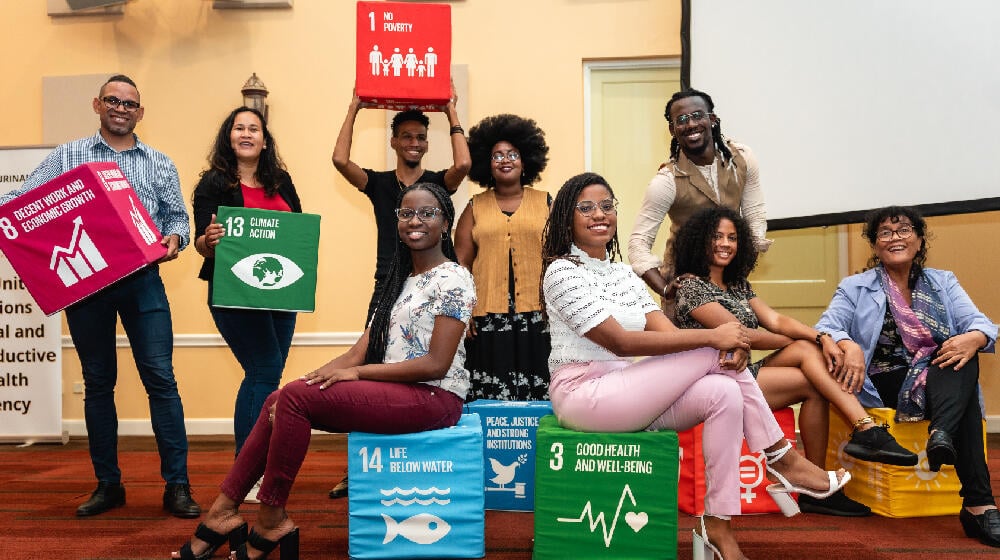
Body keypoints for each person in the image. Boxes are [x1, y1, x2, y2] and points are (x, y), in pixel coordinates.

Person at [540, 172, 849, 560]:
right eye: (585, 208)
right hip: (584, 395)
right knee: (711, 353)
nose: (599, 214)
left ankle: (717, 526)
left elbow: (667, 337)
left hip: (632, 392)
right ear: (568, 217)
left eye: (606, 205)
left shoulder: (624, 274)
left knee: (723, 391)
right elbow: (620, 341)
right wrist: (715, 340)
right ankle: (783, 459)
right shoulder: (562, 271)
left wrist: (724, 349)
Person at [171, 183, 475, 560]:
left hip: (435, 396)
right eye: (406, 213)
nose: (415, 221)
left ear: (445, 222)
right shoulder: (401, 280)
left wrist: (360, 374)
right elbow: (358, 351)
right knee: (279, 397)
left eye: (427, 213)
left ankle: (270, 516)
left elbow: (436, 364)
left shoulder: (455, 278)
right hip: (400, 390)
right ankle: (223, 511)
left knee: (295, 399)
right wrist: (310, 379)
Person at [0, 75, 198, 518]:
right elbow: (24, 199)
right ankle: (108, 485)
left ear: (140, 112)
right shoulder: (69, 155)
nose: (121, 108)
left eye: (130, 103)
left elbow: (178, 219)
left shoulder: (160, 162)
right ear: (97, 104)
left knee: (161, 380)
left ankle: (178, 486)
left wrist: (174, 239)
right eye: (113, 100)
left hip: (143, 281)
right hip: (87, 285)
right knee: (98, 383)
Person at [672, 207, 917, 517]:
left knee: (811, 355)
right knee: (809, 362)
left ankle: (830, 465)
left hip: (743, 374)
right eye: (717, 236)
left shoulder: (738, 285)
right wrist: (814, 340)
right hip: (715, 381)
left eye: (732, 238)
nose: (726, 243)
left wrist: (822, 337)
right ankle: (860, 435)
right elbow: (742, 335)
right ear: (700, 241)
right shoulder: (691, 288)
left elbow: (775, 319)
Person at [816, 206, 999, 547]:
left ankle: (943, 434)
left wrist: (973, 338)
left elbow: (982, 325)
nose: (894, 238)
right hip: (887, 380)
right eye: (885, 233)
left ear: (918, 240)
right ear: (875, 245)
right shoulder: (856, 286)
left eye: (903, 231)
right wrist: (847, 343)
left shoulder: (943, 281)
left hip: (940, 376)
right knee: (962, 378)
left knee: (962, 353)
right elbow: (826, 326)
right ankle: (978, 504)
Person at [329, 89, 469, 499]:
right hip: (388, 288)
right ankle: (357, 468)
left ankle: (413, 457)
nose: (414, 143)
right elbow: (340, 160)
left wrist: (449, 109)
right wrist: (354, 106)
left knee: (424, 371)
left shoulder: (437, 184)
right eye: (406, 136)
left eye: (420, 137)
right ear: (394, 141)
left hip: (434, 289)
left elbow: (464, 163)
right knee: (372, 372)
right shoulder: (379, 184)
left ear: (427, 143)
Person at [191, 107, 303, 502]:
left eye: (254, 128)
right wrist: (210, 240)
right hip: (234, 293)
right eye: (239, 127)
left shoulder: (281, 181)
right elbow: (201, 244)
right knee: (264, 369)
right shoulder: (213, 183)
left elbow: (296, 232)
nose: (246, 133)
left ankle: (254, 467)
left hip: (281, 293)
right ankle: (247, 470)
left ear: (264, 139)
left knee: (266, 375)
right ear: (229, 136)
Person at [628, 88, 770, 313]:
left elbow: (755, 217)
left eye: (697, 116)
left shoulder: (743, 159)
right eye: (682, 120)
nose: (691, 124)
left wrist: (739, 269)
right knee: (695, 349)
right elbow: (637, 246)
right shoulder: (665, 182)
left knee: (737, 343)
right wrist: (666, 289)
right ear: (672, 129)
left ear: (711, 120)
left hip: (731, 285)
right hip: (685, 290)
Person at [454, 114, 551, 401]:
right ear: (487, 162)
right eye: (497, 155)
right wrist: (463, 308)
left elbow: (559, 255)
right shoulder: (475, 206)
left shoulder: (546, 201)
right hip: (487, 312)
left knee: (540, 382)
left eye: (513, 154)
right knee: (489, 387)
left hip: (538, 311)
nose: (505, 160)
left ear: (526, 161)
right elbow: (461, 262)